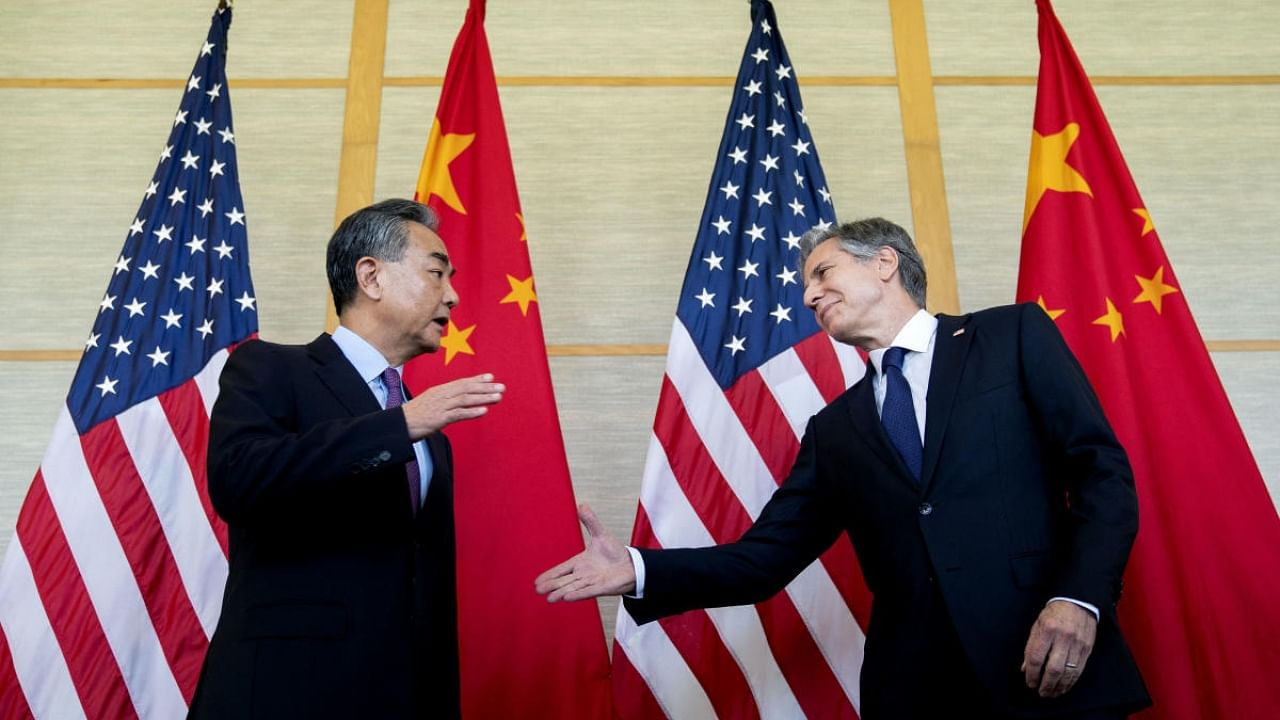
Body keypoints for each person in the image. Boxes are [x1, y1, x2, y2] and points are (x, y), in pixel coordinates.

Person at [537, 218, 1151, 719]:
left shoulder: (1010, 336)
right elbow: (764, 560)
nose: (808, 296)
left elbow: (1101, 473)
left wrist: (1079, 600)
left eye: (822, 272)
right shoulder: (834, 431)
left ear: (885, 262)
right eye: (806, 285)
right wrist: (639, 570)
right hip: (916, 692)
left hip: (1042, 661)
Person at [189, 199, 504, 719]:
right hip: (284, 693)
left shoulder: (430, 435)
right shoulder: (271, 368)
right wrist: (397, 427)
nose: (453, 295)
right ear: (371, 277)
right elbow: (238, 480)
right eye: (436, 273)